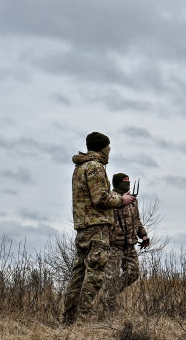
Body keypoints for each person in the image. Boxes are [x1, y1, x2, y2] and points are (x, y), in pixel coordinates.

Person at [61, 132, 135, 324]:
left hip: (84, 227)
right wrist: (122, 200)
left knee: (78, 273)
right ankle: (83, 320)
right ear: (102, 148)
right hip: (96, 228)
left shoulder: (80, 167)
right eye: (108, 148)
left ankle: (68, 319)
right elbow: (100, 198)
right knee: (94, 274)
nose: (109, 151)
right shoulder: (95, 167)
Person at [100, 172, 150, 310]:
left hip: (129, 245)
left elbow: (137, 221)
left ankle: (109, 295)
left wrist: (144, 236)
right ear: (117, 183)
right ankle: (107, 309)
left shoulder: (133, 200)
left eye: (129, 181)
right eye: (125, 181)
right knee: (110, 277)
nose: (127, 183)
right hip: (113, 245)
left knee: (134, 273)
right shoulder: (111, 199)